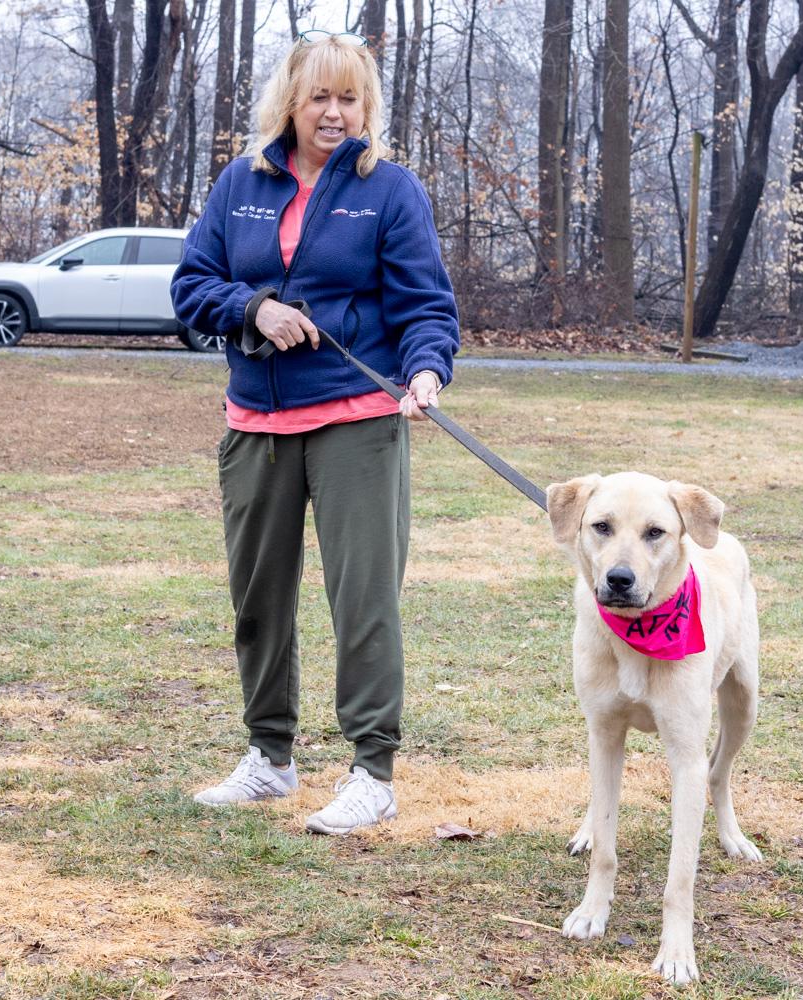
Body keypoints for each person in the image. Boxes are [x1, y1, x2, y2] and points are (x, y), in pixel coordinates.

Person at [170, 30, 459, 835]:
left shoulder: (389, 190)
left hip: (357, 418)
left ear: (366, 108)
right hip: (254, 420)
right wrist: (252, 307)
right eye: (320, 97)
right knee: (257, 597)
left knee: (362, 598)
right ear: (290, 104)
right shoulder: (241, 184)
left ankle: (373, 770)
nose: (335, 112)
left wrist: (427, 371)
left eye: (350, 98)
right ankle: (270, 758)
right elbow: (193, 284)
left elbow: (426, 306)